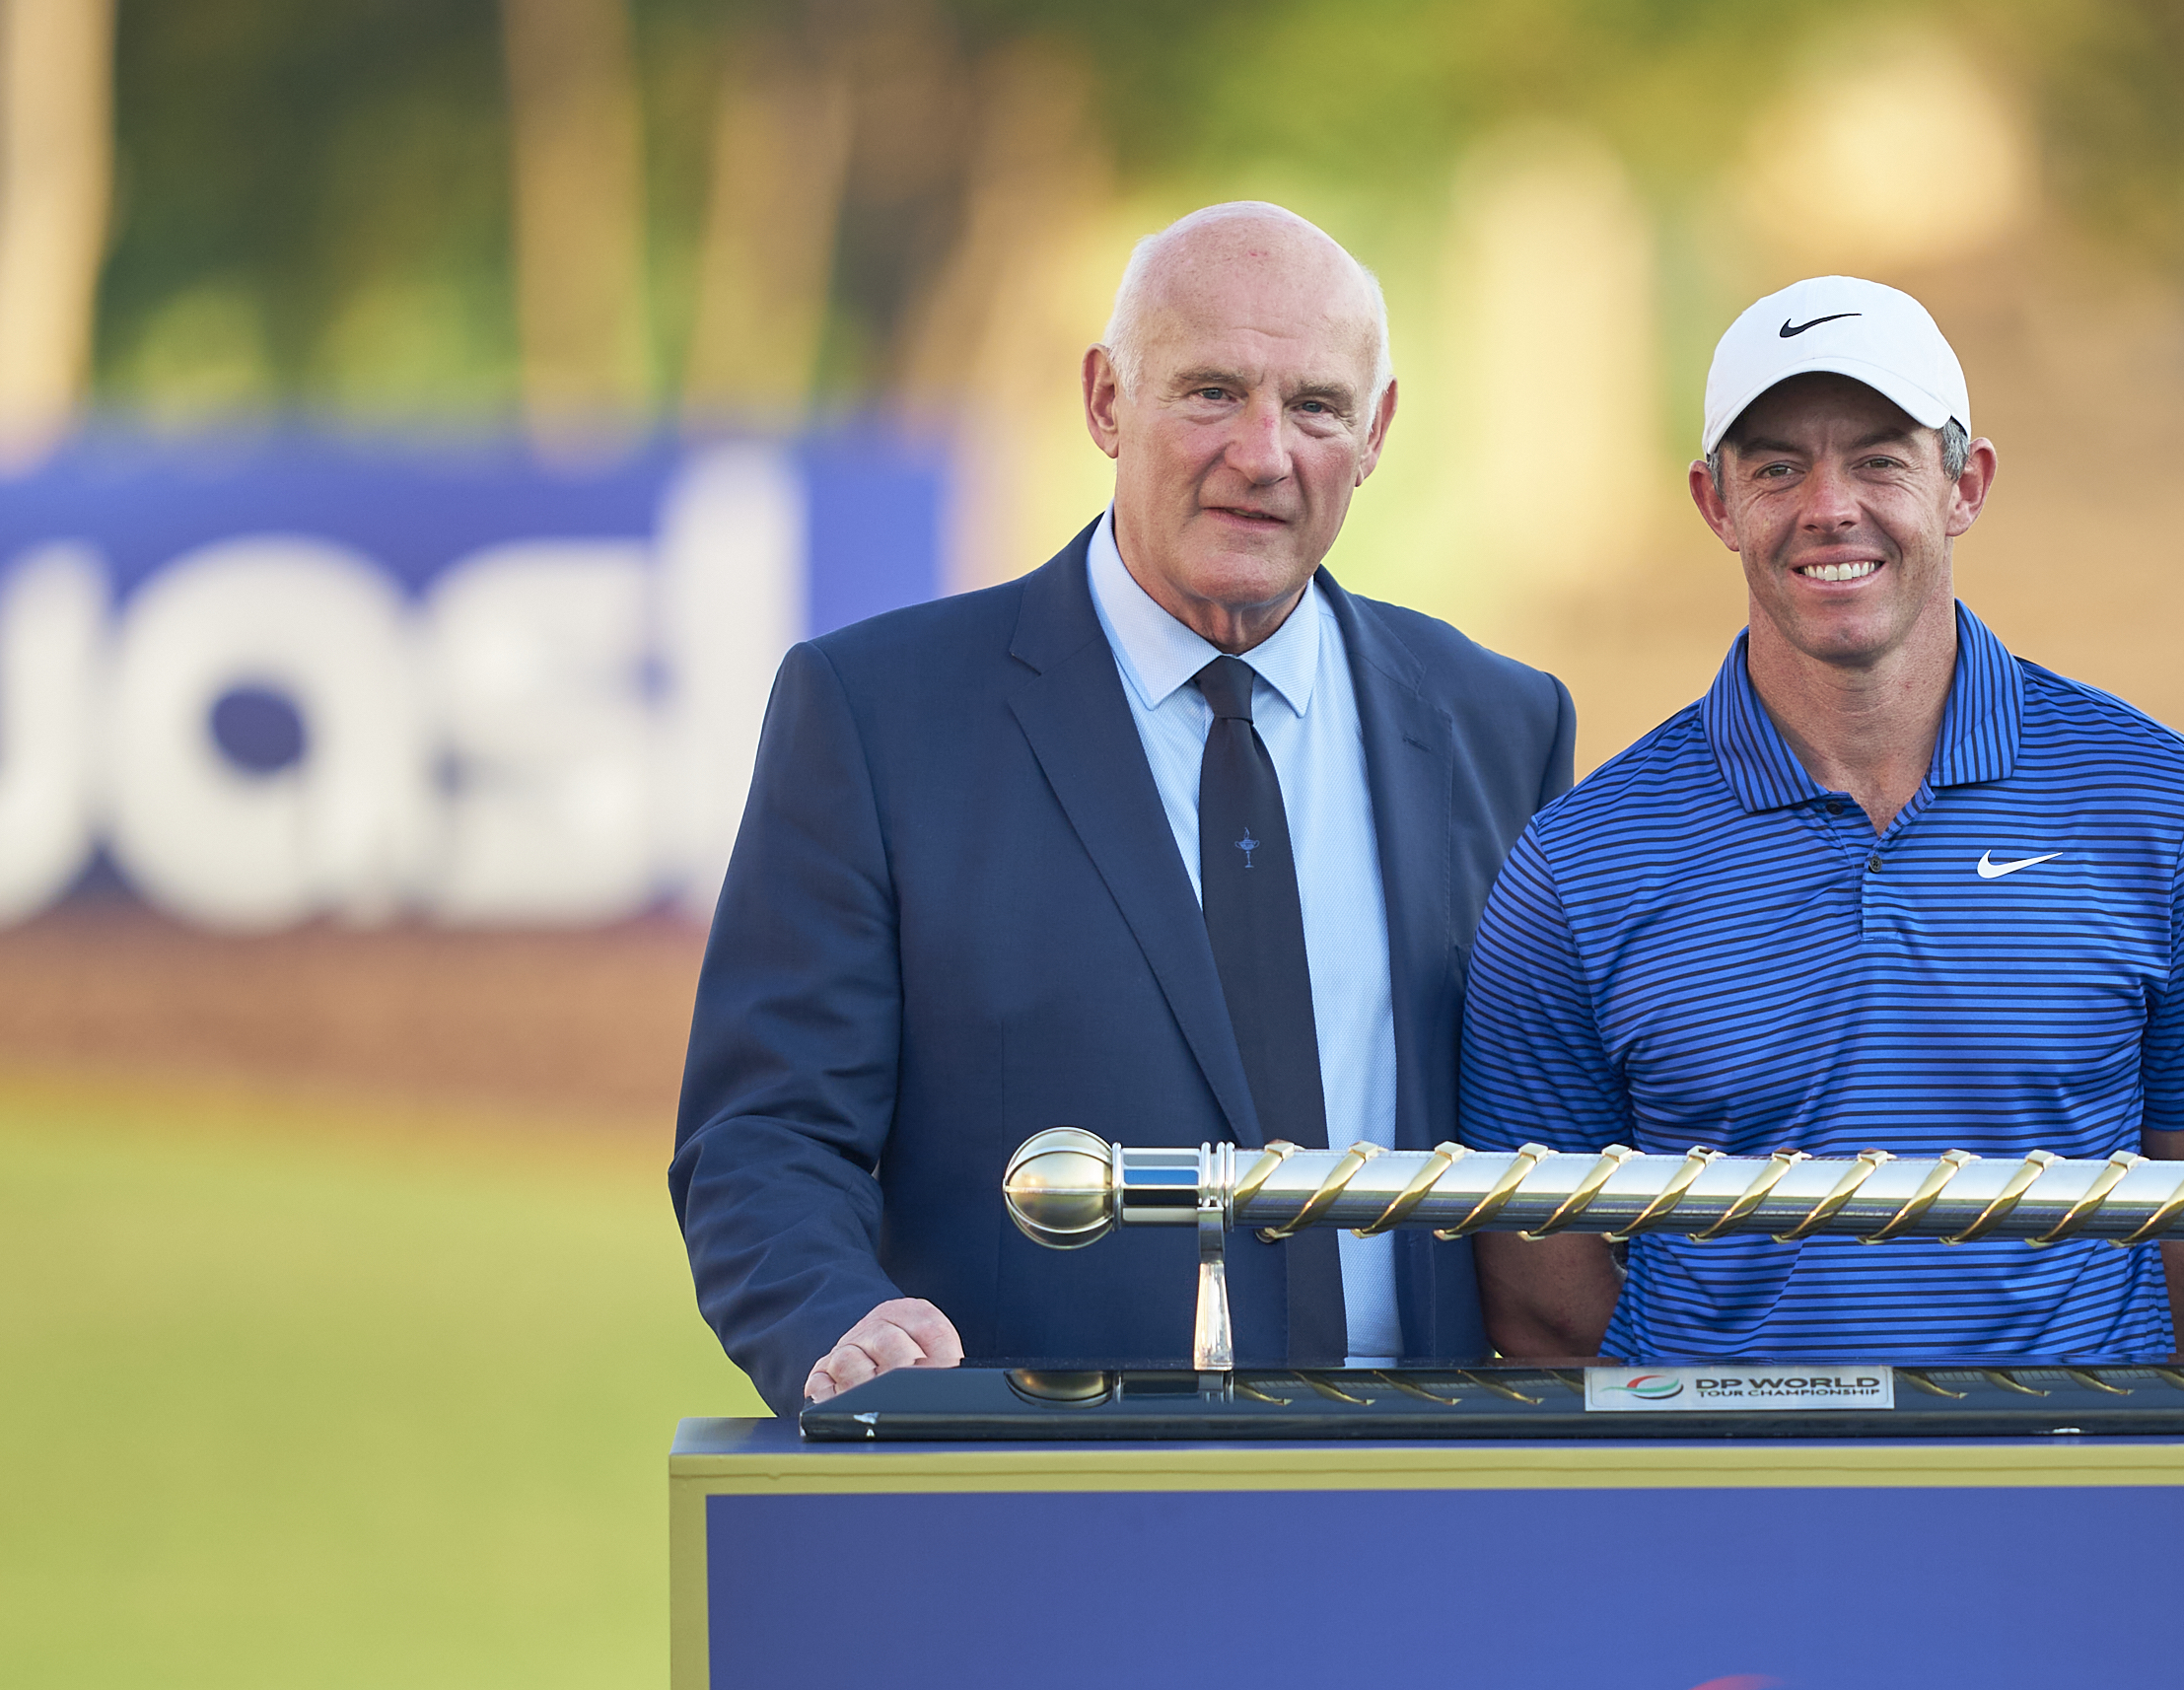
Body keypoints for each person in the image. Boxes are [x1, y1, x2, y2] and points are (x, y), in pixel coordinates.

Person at [671, 203, 1575, 1410]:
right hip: (1041, 1502)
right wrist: (838, 1316)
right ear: (1104, 400)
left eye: (1315, 405)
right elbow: (767, 1131)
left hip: (1412, 1495)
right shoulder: (878, 714)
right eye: (1210, 391)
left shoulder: (1500, 726)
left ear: (1377, 433)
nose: (1263, 453)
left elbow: (1555, 1151)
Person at [1460, 278, 2184, 1365]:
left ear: (1964, 482)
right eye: (1774, 467)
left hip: (2069, 1502)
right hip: (1725, 1514)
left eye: (1879, 458)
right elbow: (1541, 1288)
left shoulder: (2162, 807)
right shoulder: (1580, 864)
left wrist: (2066, 1395)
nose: (1827, 506)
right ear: (1715, 505)